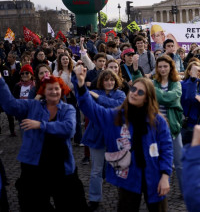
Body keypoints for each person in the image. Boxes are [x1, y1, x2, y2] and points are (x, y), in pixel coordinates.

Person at [73, 67, 173, 212]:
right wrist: (81, 86)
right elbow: (91, 109)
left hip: (154, 175)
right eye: (133, 89)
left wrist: (165, 176)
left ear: (147, 98)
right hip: (129, 177)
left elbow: (166, 149)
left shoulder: (158, 121)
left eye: (140, 92)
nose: (133, 93)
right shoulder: (115, 116)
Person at [0, 73, 90, 212]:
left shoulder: (68, 109)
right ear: (43, 91)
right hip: (34, 167)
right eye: (50, 89)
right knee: (34, 205)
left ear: (62, 90)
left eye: (57, 88)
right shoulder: (32, 106)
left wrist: (40, 125)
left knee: (71, 205)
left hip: (61, 166)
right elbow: (10, 105)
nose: (54, 91)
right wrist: (0, 81)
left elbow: (69, 129)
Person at [80, 69, 126, 211]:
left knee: (120, 168)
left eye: (112, 80)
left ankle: (125, 197)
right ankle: (94, 199)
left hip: (115, 136)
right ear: (101, 81)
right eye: (106, 80)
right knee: (96, 170)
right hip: (96, 135)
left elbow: (117, 107)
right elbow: (91, 108)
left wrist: (98, 98)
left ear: (116, 80)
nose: (109, 82)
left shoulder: (120, 94)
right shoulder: (94, 93)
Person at [153, 55, 184, 192]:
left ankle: (185, 191)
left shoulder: (176, 83)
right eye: (160, 67)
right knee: (158, 161)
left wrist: (159, 95)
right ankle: (160, 189)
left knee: (180, 162)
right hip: (156, 128)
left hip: (173, 127)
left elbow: (170, 98)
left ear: (171, 67)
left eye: (165, 66)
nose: (162, 69)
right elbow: (167, 98)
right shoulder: (153, 83)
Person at [181, 61, 200, 145]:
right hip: (187, 124)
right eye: (193, 70)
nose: (196, 72)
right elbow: (189, 98)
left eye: (198, 70)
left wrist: (199, 98)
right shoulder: (182, 84)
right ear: (188, 71)